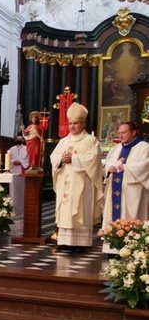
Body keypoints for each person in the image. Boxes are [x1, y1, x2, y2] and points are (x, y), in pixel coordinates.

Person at [50, 103, 104, 253]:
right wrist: (61, 159)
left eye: (76, 123)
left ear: (83, 123)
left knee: (80, 208)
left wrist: (73, 159)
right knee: (65, 210)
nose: (72, 126)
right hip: (65, 181)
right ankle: (64, 241)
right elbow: (53, 157)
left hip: (82, 182)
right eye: (70, 123)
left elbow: (92, 159)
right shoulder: (63, 141)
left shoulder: (90, 140)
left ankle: (80, 243)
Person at [101, 122, 149, 254]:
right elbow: (107, 164)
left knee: (131, 217)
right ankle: (112, 249)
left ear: (134, 132)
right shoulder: (115, 149)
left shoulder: (144, 147)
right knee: (113, 217)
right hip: (115, 190)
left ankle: (130, 249)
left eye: (123, 132)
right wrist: (108, 168)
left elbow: (146, 166)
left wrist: (127, 167)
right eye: (119, 132)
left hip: (133, 192)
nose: (120, 135)